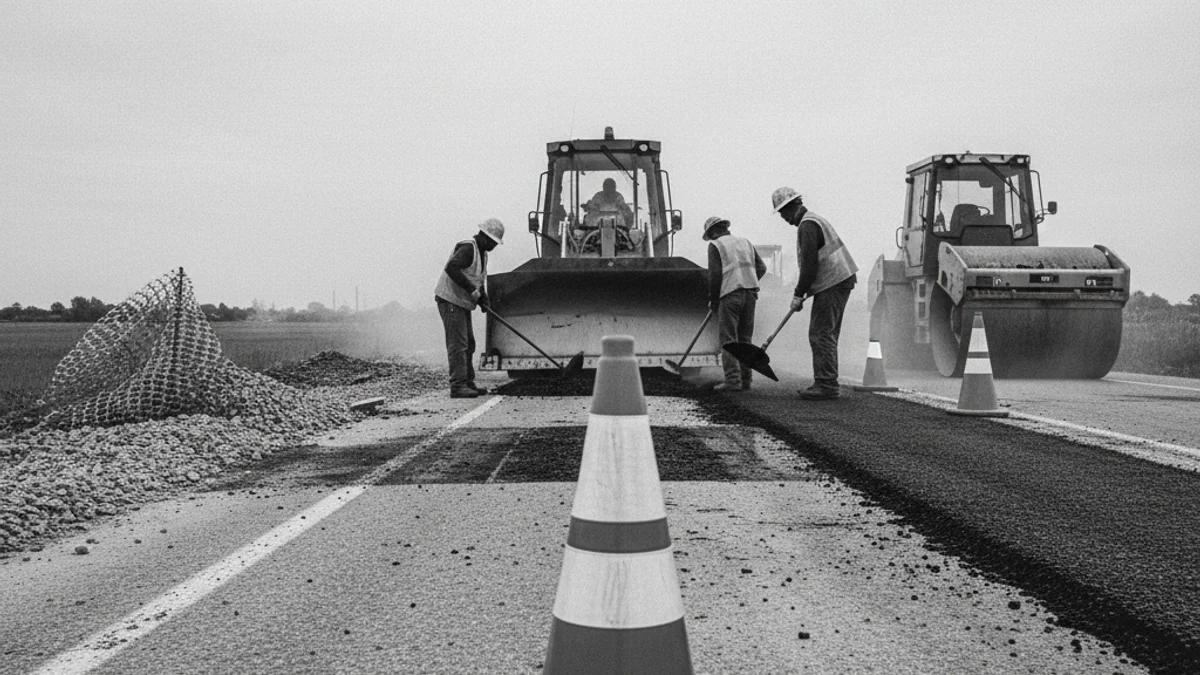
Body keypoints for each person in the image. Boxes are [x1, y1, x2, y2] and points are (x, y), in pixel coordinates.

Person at [771, 187, 858, 400]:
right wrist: (804, 292)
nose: (783, 219)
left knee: (820, 333)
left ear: (791, 208)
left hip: (834, 282)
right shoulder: (813, 220)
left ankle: (826, 384)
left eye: (782, 213)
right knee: (826, 332)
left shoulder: (808, 225)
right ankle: (828, 381)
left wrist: (798, 293)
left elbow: (810, 264)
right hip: (838, 280)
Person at [434, 218, 504, 398]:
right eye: (494, 242)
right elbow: (452, 268)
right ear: (485, 237)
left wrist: (484, 299)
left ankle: (468, 382)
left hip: (461, 302)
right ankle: (457, 385)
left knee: (469, 344)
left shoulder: (482, 253)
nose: (495, 246)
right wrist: (472, 290)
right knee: (458, 344)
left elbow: (477, 279)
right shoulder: (468, 248)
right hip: (450, 300)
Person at [704, 216, 767, 392]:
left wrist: (713, 299)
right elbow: (761, 268)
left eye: (710, 235)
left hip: (730, 296)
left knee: (729, 340)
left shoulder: (716, 245)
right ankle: (746, 380)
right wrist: (749, 280)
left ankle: (732, 381)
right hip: (750, 295)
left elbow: (715, 275)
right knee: (745, 340)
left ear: (713, 232)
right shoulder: (745, 242)